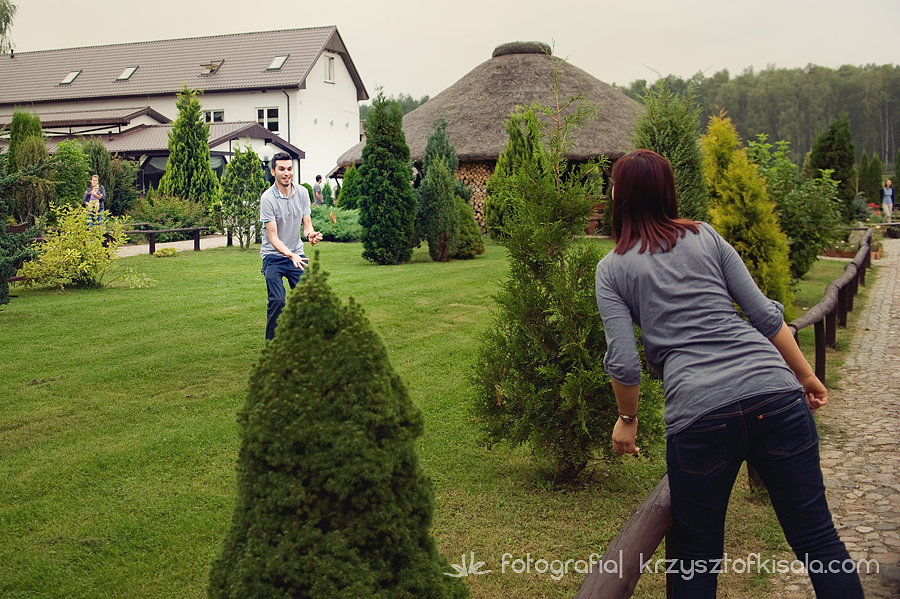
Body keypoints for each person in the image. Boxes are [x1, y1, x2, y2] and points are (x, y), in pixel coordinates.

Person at [594, 150, 863, 598]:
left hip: (699, 416)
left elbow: (623, 361)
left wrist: (627, 420)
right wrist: (805, 377)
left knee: (696, 560)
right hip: (776, 393)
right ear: (667, 192)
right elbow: (763, 316)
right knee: (818, 540)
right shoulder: (706, 237)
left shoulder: (613, 268)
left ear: (619, 195)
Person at [259, 152, 323, 340]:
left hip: (297, 255)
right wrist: (290, 254)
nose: (286, 173)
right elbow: (273, 237)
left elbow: (307, 225)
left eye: (289, 169)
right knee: (278, 300)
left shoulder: (302, 192)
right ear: (273, 172)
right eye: (281, 169)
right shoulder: (267, 199)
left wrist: (310, 234)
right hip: (273, 257)